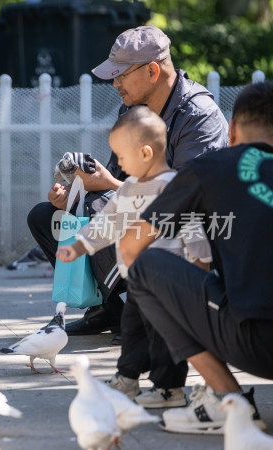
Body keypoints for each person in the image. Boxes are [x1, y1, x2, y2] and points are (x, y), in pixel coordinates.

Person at [26, 25, 228, 341]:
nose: (115, 83)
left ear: (151, 71)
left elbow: (186, 199)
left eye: (121, 75)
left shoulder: (199, 115)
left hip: (194, 229)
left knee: (109, 212)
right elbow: (117, 178)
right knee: (47, 217)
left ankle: (152, 315)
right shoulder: (132, 108)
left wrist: (107, 186)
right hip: (142, 215)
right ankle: (109, 310)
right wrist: (76, 196)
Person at [119, 81, 273, 434]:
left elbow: (131, 246)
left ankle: (226, 400)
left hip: (256, 343)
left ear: (231, 130)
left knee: (144, 268)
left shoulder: (212, 167)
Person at [56, 106, 211, 408]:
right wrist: (79, 246)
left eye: (122, 157)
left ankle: (169, 389)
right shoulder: (128, 189)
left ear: (145, 152)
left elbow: (194, 232)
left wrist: (200, 269)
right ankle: (127, 378)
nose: (120, 164)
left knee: (166, 337)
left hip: (171, 283)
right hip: (139, 282)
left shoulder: (175, 189)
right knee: (132, 331)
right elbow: (106, 223)